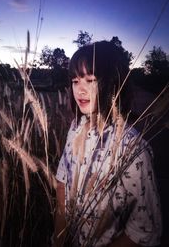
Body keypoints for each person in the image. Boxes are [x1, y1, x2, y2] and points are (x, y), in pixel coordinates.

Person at [53, 40, 162, 247]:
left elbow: (145, 231)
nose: (80, 90)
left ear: (112, 83)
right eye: (75, 81)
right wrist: (59, 239)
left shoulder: (133, 149)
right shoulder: (76, 128)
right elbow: (61, 182)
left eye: (90, 80)